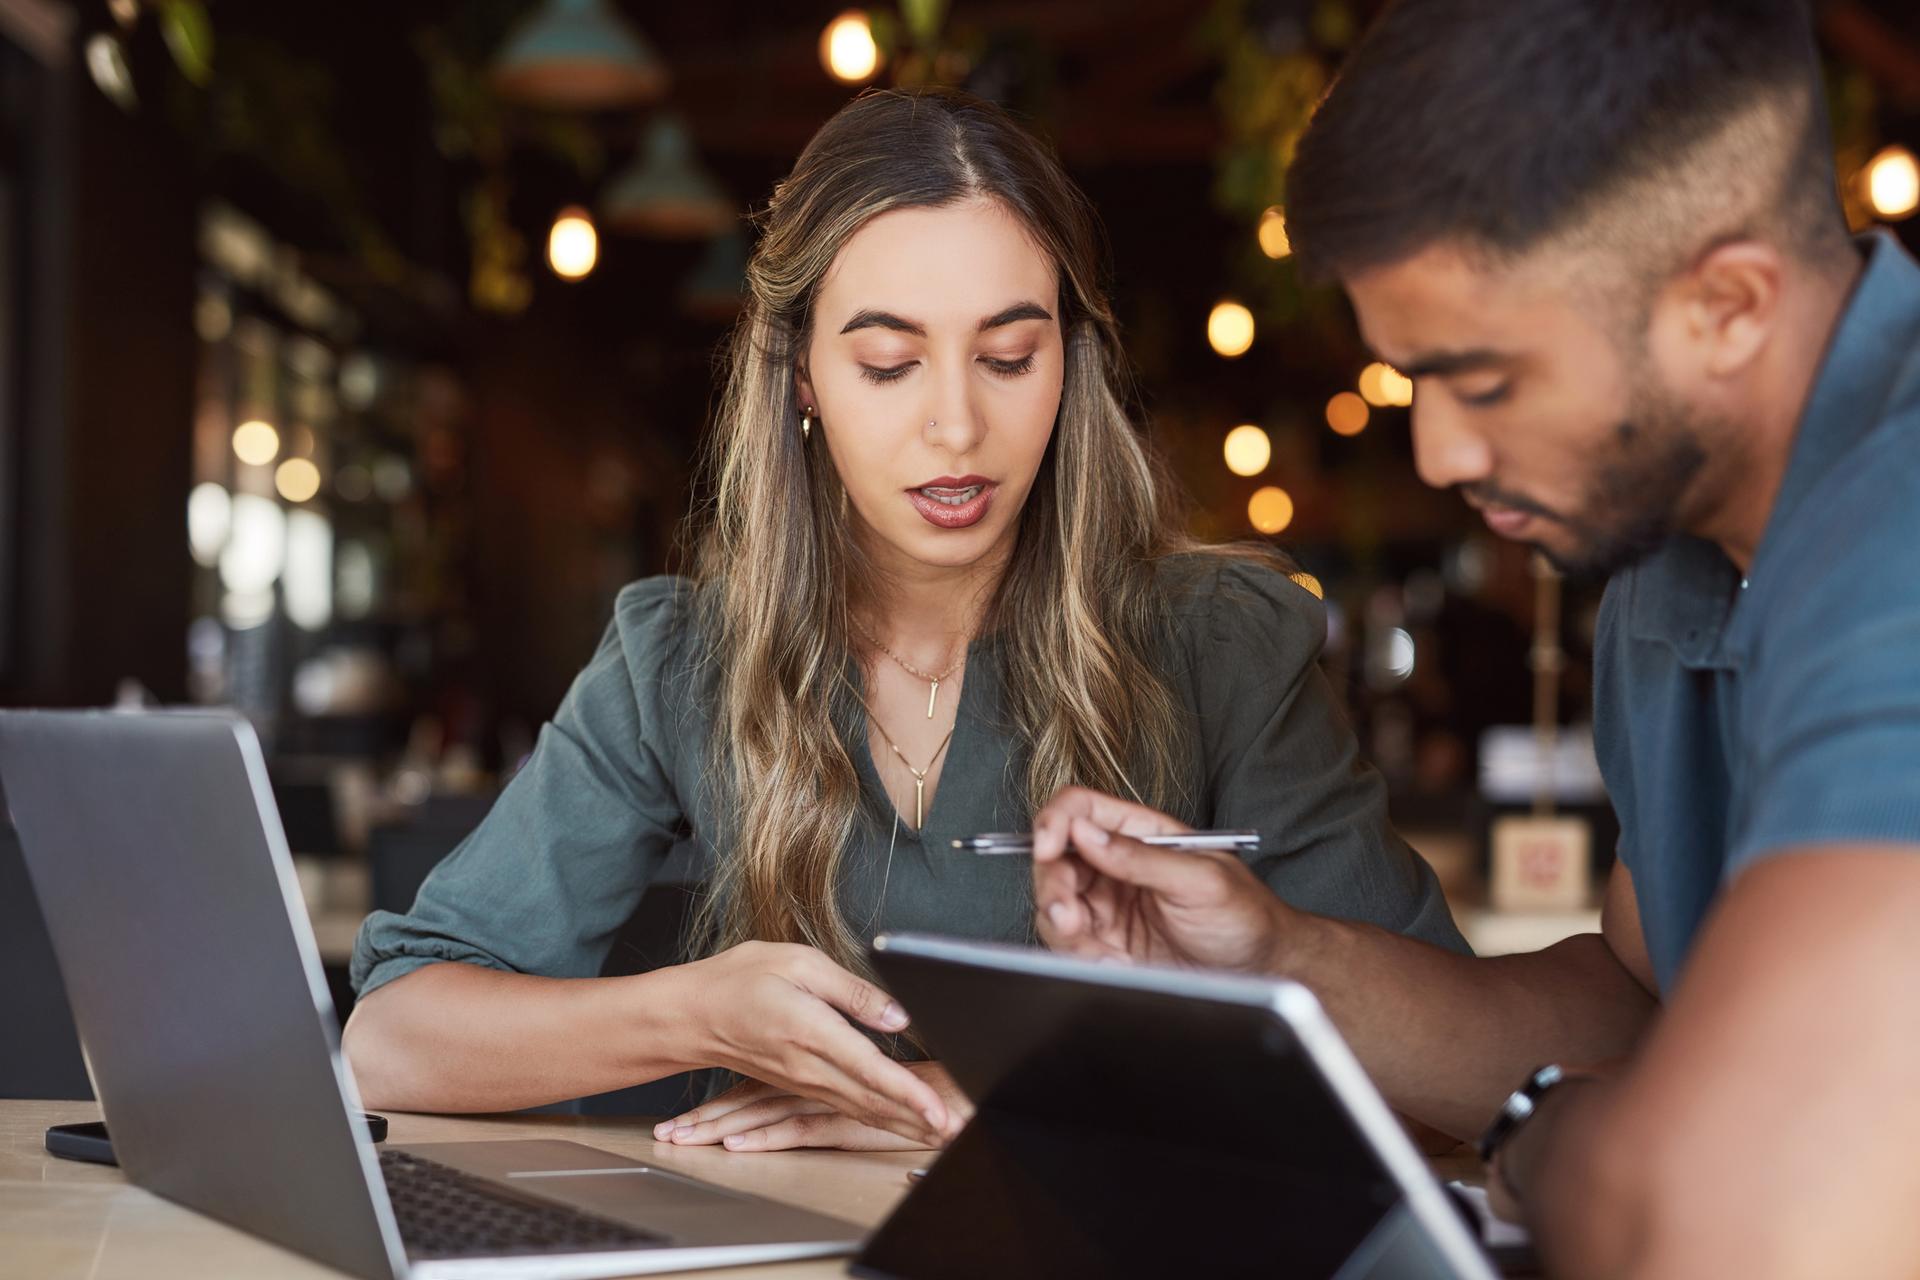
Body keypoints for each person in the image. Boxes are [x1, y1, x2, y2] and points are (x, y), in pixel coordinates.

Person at [342, 86, 1466, 1155]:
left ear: (1070, 365)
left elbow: (1439, 1072)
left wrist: (1009, 1095)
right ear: (801, 377)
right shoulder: (680, 659)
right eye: (889, 363)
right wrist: (697, 1014)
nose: (957, 427)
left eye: (1009, 357)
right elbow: (392, 1037)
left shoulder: (1220, 643)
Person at [1032, 2, 1920, 1274]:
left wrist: (1550, 1133)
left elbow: (1748, 1211)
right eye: (1413, 383)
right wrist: (1279, 957)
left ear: (1727, 303)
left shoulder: (1900, 525)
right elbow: (1638, 994)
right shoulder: (1674, 558)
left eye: (1485, 380)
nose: (1439, 453)